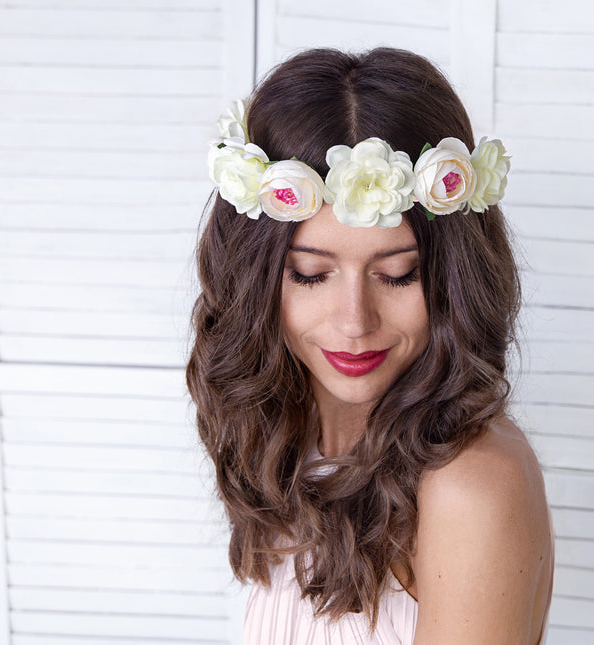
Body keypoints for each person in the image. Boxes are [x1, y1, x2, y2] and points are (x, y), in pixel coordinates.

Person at [186, 47, 554, 645]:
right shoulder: (295, 444)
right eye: (311, 273)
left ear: (450, 278)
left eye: (397, 273)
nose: (354, 321)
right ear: (255, 283)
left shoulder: (471, 485)